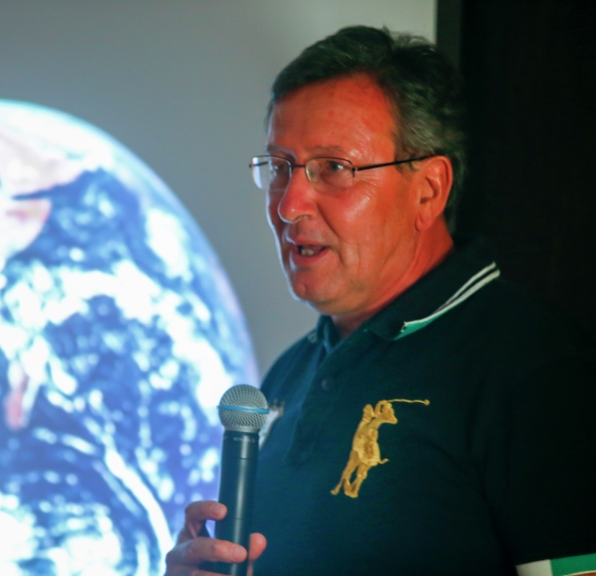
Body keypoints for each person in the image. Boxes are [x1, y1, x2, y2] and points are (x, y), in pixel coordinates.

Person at [165, 25, 596, 575]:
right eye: (280, 167)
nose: (290, 203)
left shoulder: (537, 372)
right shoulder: (284, 379)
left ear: (429, 189)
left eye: (334, 169)